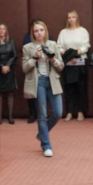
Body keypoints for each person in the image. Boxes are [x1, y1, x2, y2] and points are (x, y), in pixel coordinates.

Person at [22, 20, 65, 157]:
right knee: (42, 114)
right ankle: (46, 145)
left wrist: (52, 59)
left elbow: (61, 66)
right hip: (38, 82)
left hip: (52, 81)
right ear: (33, 33)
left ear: (45, 31)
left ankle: (41, 134)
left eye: (41, 30)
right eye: (36, 31)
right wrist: (34, 58)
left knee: (57, 112)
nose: (39, 33)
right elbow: (24, 68)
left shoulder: (53, 45)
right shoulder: (27, 47)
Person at [57, 10, 90, 122]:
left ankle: (80, 112)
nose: (71, 19)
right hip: (68, 63)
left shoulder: (83, 31)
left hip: (80, 62)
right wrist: (69, 56)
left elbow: (86, 46)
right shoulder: (63, 32)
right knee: (69, 89)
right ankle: (69, 112)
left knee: (81, 88)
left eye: (73, 17)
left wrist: (76, 53)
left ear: (77, 19)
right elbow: (59, 47)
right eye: (69, 17)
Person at [0, 24, 18, 124]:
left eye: (3, 29)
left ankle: (10, 117)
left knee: (10, 93)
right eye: (0, 29)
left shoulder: (11, 41)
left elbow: (14, 56)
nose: (1, 31)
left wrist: (7, 66)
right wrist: (1, 67)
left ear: (6, 31)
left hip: (9, 69)